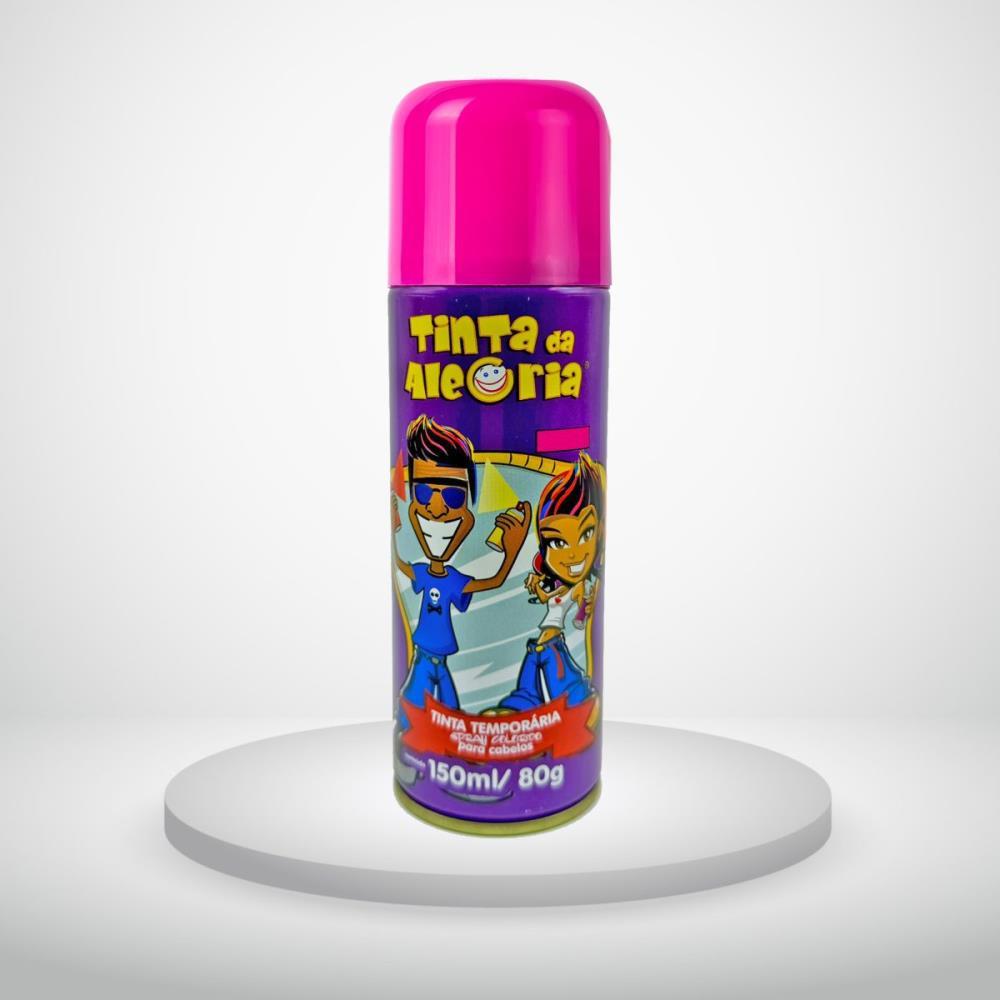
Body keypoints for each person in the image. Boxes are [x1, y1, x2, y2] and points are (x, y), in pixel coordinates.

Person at [392, 415, 530, 726]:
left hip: (439, 660)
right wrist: (395, 522)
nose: (436, 509)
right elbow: (400, 565)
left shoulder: (453, 580)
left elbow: (494, 580)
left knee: (450, 712)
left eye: (454, 496)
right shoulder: (422, 572)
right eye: (423, 492)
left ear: (469, 510)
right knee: (416, 714)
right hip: (424, 657)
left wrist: (512, 551)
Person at [489, 453, 604, 713]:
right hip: (540, 644)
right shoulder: (558, 588)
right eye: (558, 542)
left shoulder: (579, 587)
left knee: (566, 683)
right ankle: (517, 708)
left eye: (586, 534)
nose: (573, 554)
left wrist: (585, 605)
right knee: (528, 686)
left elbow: (583, 606)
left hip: (554, 644)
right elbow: (545, 597)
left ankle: (579, 705)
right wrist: (535, 584)